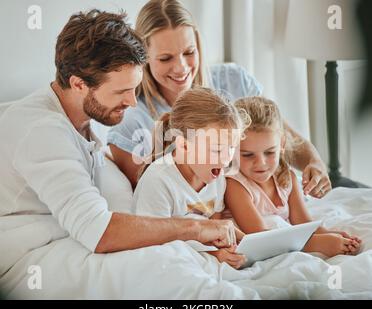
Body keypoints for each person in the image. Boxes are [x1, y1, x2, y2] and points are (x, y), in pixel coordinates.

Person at [0, 9, 238, 254]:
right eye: (121, 92)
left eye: (134, 89)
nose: (133, 102)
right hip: (30, 252)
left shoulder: (80, 122)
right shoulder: (42, 132)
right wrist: (195, 229)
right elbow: (99, 231)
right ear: (79, 84)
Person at [107, 0, 331, 199]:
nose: (182, 68)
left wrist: (314, 163)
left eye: (189, 52)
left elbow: (280, 136)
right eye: (166, 58)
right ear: (144, 59)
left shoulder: (233, 81)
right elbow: (148, 197)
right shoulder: (131, 118)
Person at [224, 96, 362, 258]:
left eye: (269, 152)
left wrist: (330, 234)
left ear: (282, 144)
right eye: (247, 155)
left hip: (284, 239)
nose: (261, 163)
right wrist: (320, 243)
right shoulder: (234, 185)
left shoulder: (287, 176)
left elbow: (303, 222)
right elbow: (260, 237)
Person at [132, 87, 247, 269]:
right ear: (184, 146)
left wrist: (233, 245)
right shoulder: (158, 180)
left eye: (231, 147)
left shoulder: (217, 176)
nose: (226, 159)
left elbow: (213, 223)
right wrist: (214, 254)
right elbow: (154, 239)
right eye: (217, 150)